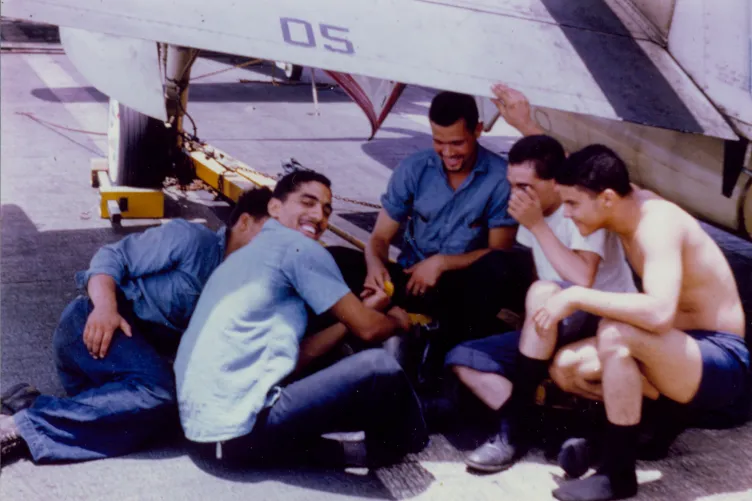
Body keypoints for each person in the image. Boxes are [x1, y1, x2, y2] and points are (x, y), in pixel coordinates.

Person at [531, 145, 750, 501]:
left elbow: (660, 313)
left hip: (721, 360)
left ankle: (617, 473)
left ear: (605, 198)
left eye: (572, 205)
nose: (567, 214)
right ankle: (651, 427)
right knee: (567, 368)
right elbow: (585, 165)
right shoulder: (620, 205)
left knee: (617, 334)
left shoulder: (656, 224)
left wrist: (575, 297)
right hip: (675, 352)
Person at [0, 187, 274, 466]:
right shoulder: (191, 240)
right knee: (158, 394)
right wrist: (106, 307)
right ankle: (18, 427)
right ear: (245, 222)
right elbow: (110, 258)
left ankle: (28, 404)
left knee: (163, 419)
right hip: (95, 333)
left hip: (124, 379)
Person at [174, 170, 428, 469]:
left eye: (326, 209)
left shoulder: (251, 253)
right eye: (307, 202)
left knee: (341, 370)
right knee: (379, 366)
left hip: (205, 438)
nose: (319, 215)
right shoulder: (298, 248)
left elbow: (294, 355)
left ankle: (350, 451)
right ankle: (420, 426)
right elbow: (370, 329)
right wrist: (397, 320)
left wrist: (352, 317)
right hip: (239, 432)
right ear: (274, 208)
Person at [445, 132, 637, 473]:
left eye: (525, 186)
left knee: (545, 293)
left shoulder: (579, 209)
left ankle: (513, 430)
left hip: (598, 316)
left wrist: (536, 225)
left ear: (554, 183)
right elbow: (541, 269)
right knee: (463, 359)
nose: (516, 195)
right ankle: (546, 429)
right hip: (554, 321)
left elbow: (581, 278)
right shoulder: (534, 212)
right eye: (512, 184)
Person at [326, 89, 535, 376]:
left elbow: (499, 251)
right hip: (410, 281)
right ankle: (355, 334)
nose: (448, 153)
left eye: (457, 143)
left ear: (477, 130)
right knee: (332, 259)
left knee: (498, 270)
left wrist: (442, 262)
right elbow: (379, 238)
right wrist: (375, 266)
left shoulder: (500, 178)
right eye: (439, 142)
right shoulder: (414, 168)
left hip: (461, 290)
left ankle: (438, 349)